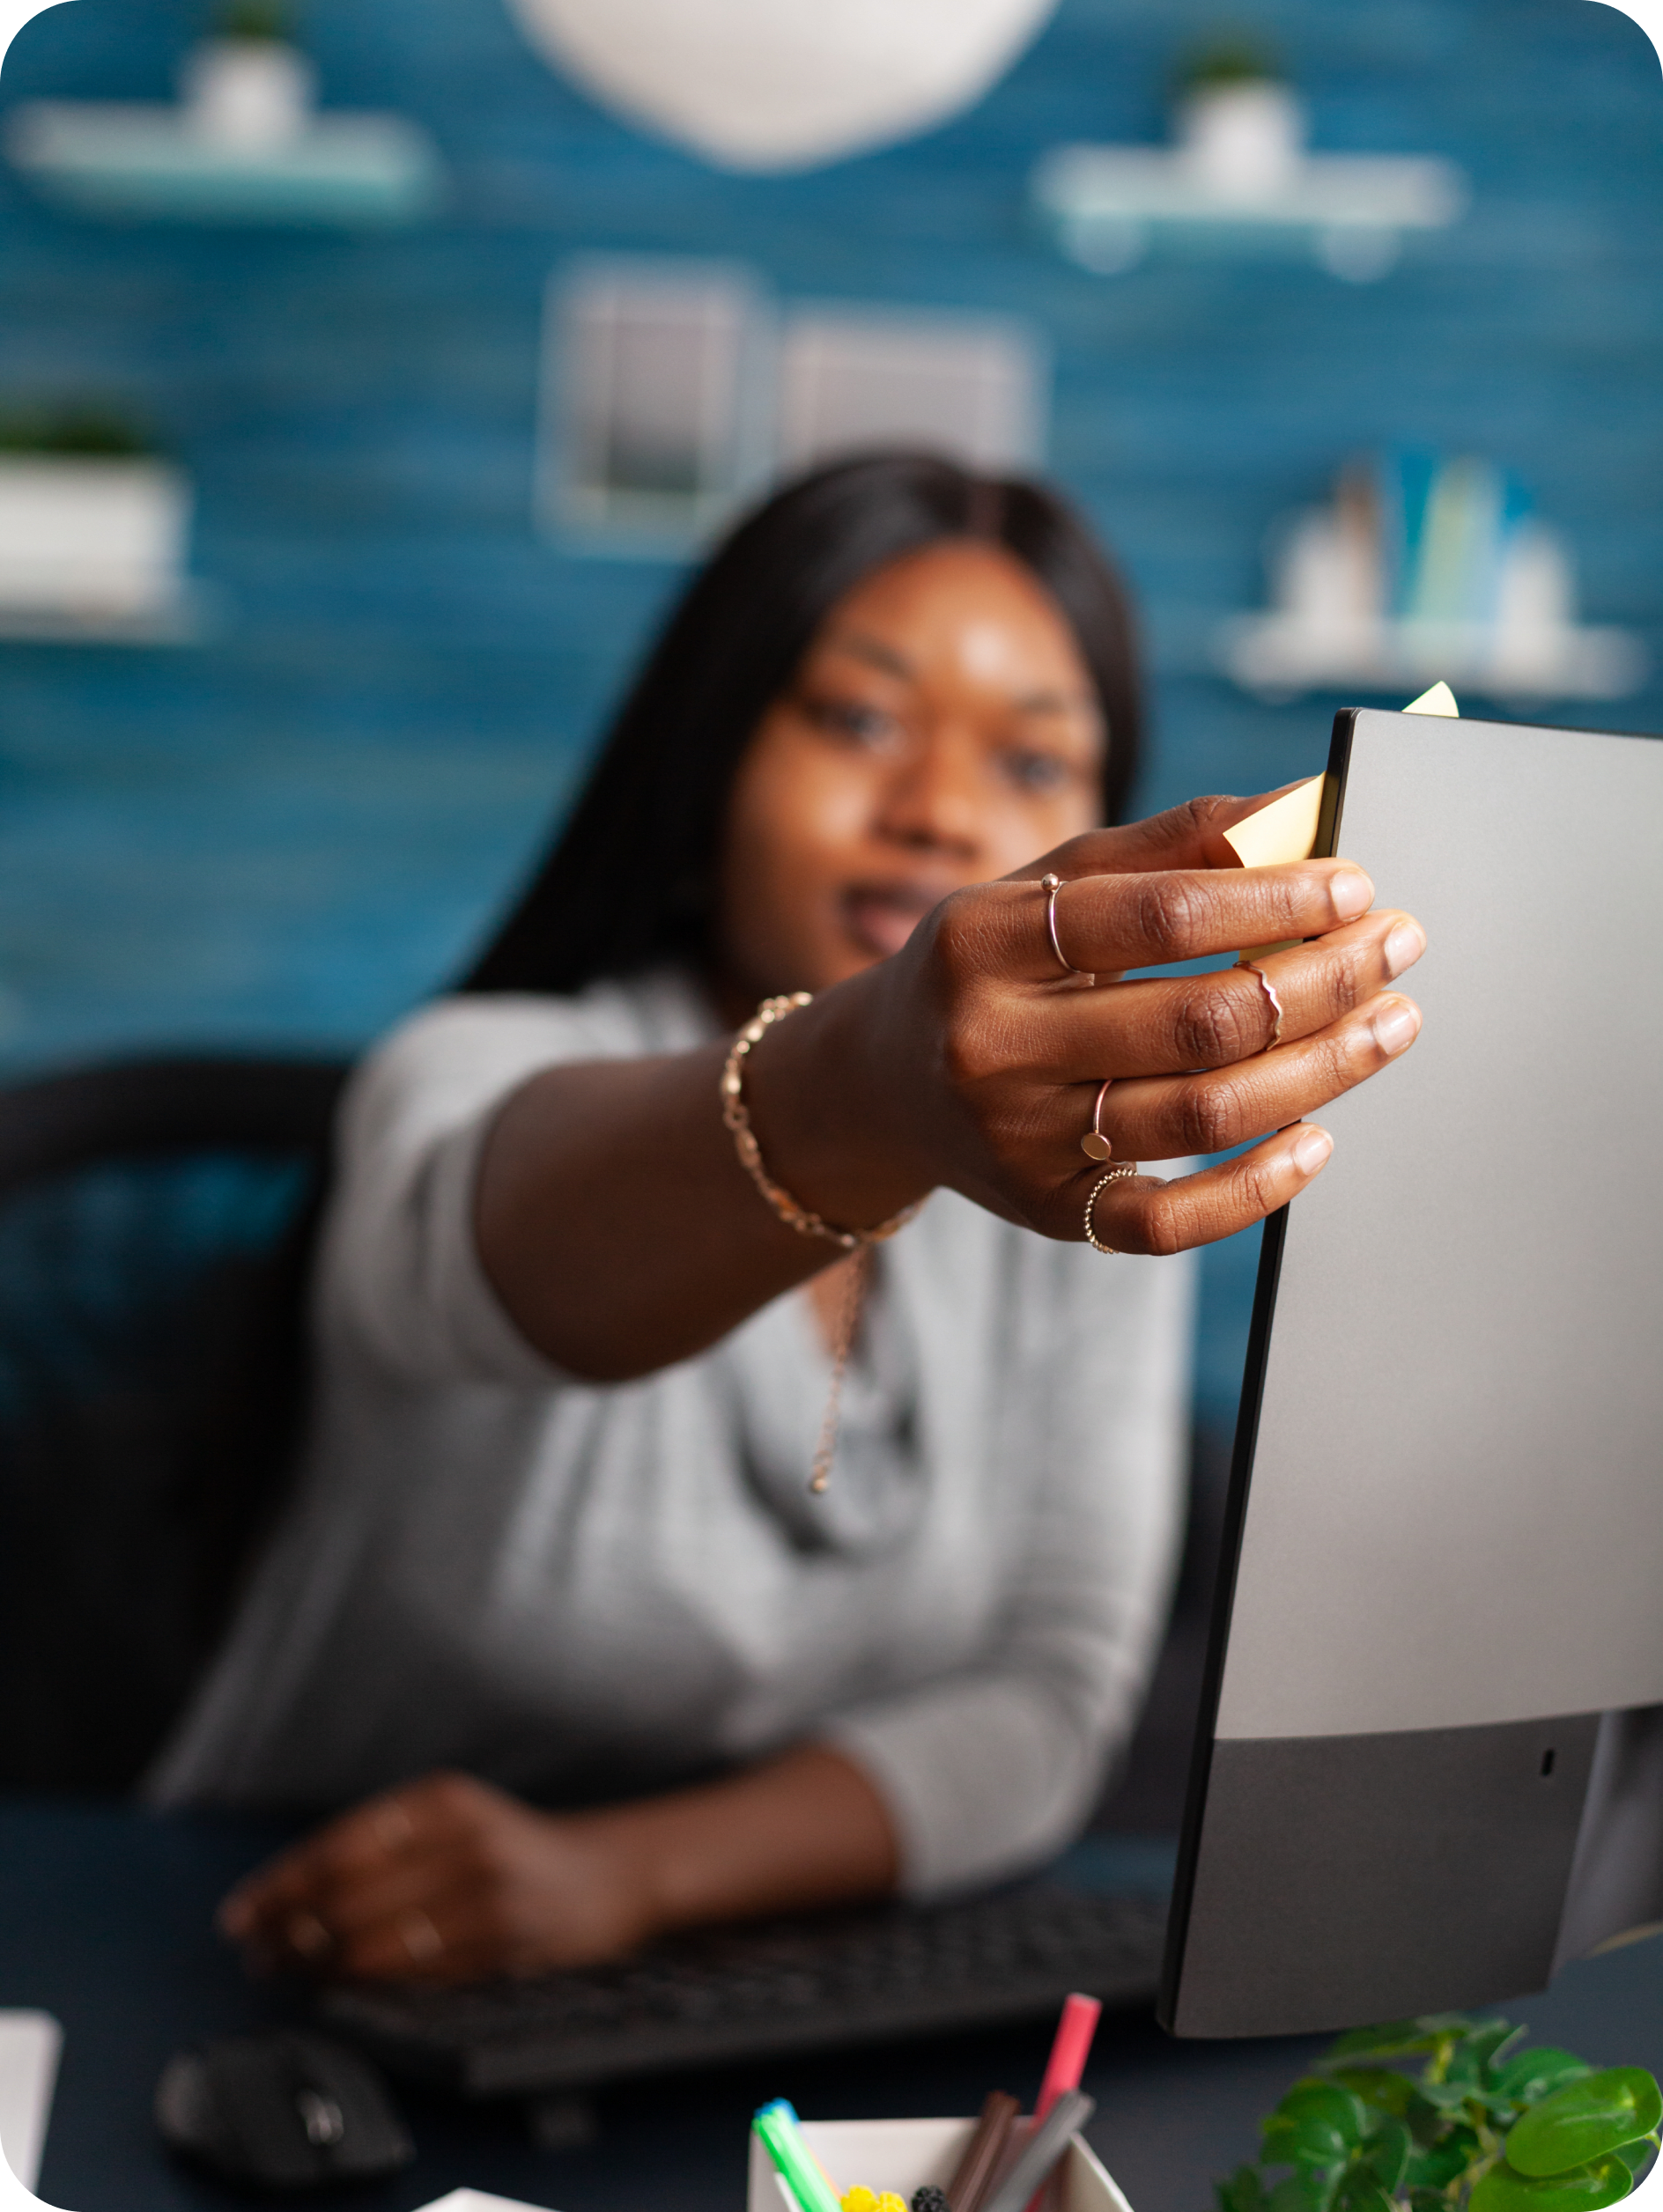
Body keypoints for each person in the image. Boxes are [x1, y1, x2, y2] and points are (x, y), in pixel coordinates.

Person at [148, 453, 1424, 1987]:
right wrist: (869, 1083)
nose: (943, 814)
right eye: (860, 721)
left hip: (754, 1998)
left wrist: (623, 1881)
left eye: (1029, 765)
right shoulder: (470, 1080)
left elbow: (1048, 1699)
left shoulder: (1091, 1184)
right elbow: (520, 1254)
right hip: (282, 1958)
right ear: (704, 768)